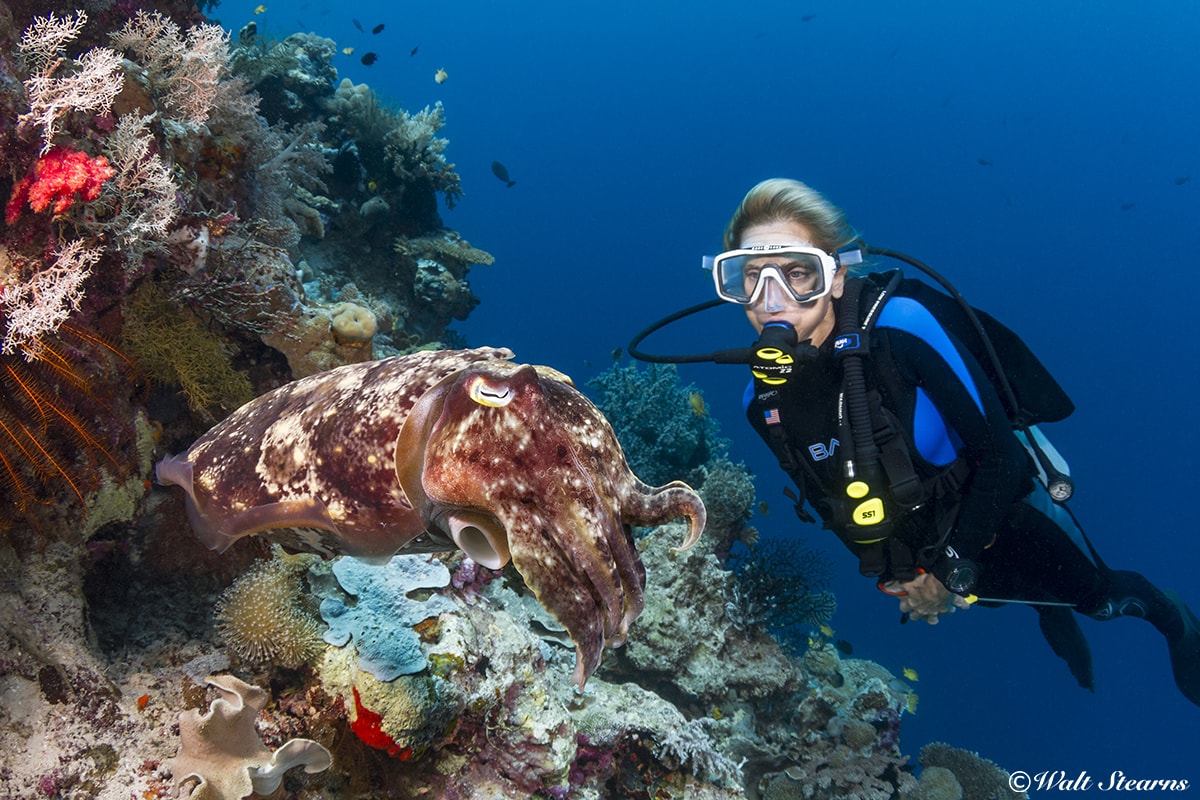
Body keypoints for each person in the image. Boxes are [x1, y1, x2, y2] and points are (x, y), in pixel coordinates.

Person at [716, 177, 1200, 705]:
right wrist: (903, 578)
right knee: (999, 599)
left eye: (796, 272)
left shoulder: (902, 325)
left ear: (836, 276)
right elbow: (831, 500)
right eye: (751, 277)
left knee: (1098, 598)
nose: (771, 300)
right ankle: (1040, 607)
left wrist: (947, 572)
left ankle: (1173, 618)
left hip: (1011, 511)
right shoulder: (759, 401)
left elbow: (1002, 460)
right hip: (927, 547)